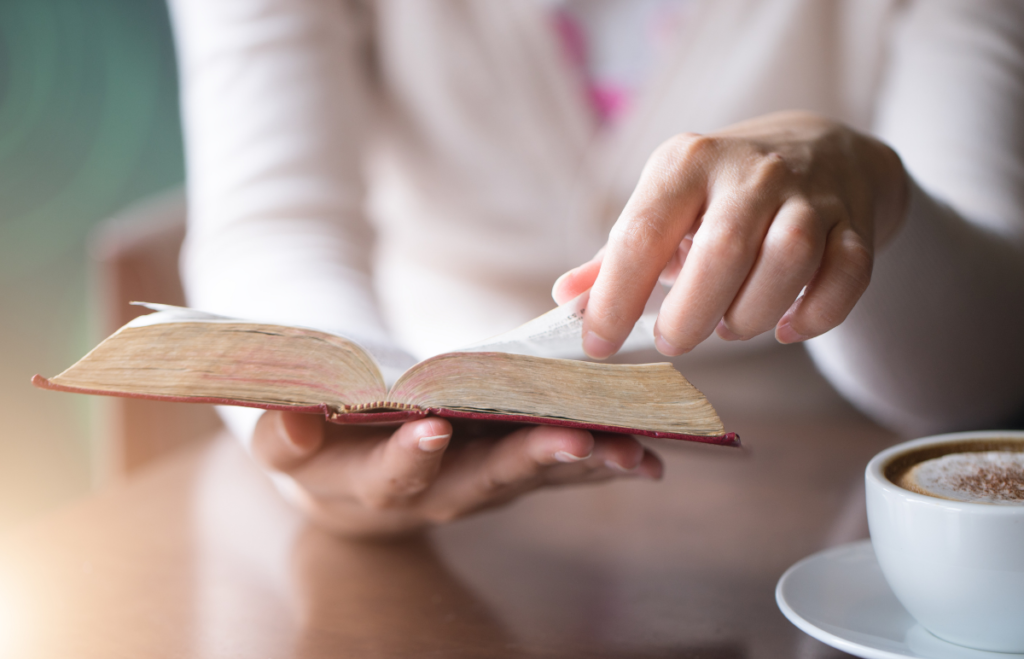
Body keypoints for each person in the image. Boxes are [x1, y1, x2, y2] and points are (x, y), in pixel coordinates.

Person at [167, 0, 1024, 537]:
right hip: (454, 479)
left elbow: (981, 378)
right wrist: (332, 435)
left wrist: (875, 191)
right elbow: (272, 226)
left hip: (833, 515)